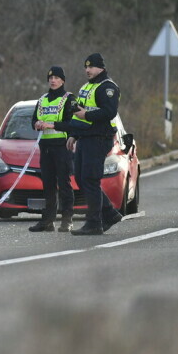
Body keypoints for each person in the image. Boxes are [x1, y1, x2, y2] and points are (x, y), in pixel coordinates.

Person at [67, 53, 124, 235]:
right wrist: (74, 134)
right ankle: (109, 214)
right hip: (85, 137)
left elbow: (109, 112)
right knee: (83, 179)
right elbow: (79, 112)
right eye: (86, 67)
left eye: (91, 67)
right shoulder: (86, 87)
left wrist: (87, 115)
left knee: (90, 179)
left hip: (99, 138)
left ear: (101, 68)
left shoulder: (108, 87)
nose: (87, 70)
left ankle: (94, 223)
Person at [29, 66, 79, 232]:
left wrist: (51, 124)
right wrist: (37, 124)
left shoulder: (69, 98)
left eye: (57, 77)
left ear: (62, 80)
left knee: (64, 184)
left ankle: (67, 220)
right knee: (48, 185)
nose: (53, 80)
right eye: (51, 78)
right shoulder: (42, 99)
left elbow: (71, 123)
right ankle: (48, 221)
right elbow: (34, 120)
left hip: (62, 147)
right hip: (46, 147)